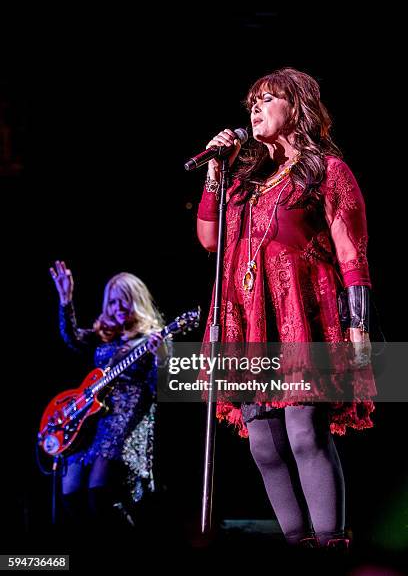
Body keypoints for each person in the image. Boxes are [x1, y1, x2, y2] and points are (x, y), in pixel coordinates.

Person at [196, 67, 376, 551]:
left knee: (302, 431)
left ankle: (331, 544)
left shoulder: (326, 172)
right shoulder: (243, 183)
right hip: (249, 319)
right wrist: (216, 175)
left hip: (303, 316)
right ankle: (299, 548)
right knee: (263, 444)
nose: (254, 109)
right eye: (251, 102)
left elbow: (351, 251)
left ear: (296, 108)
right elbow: (210, 241)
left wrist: (359, 325)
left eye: (267, 99)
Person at [49, 260, 166, 537]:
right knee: (71, 494)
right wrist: (65, 300)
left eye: (124, 302)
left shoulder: (152, 339)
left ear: (136, 301)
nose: (117, 309)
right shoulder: (105, 338)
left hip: (125, 422)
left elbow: (159, 388)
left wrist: (160, 358)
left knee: (99, 494)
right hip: (90, 421)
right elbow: (73, 338)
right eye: (112, 303)